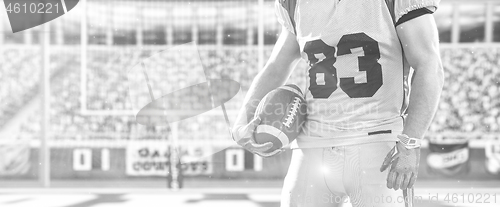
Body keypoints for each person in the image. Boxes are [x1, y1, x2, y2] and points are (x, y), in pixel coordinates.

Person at [232, 0, 444, 206]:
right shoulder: (295, 3)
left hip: (377, 144)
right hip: (312, 146)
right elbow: (277, 66)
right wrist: (242, 123)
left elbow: (429, 64)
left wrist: (410, 142)